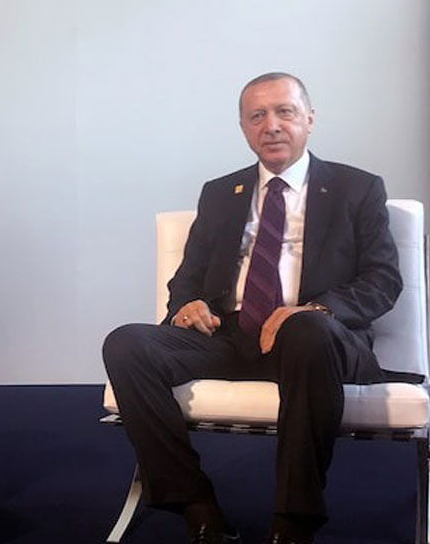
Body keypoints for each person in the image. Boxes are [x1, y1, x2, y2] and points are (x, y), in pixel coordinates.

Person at [103, 72, 402, 544]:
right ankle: (196, 506)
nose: (272, 125)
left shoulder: (356, 188)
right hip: (230, 336)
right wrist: (188, 305)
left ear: (309, 118)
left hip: (317, 343)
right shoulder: (221, 192)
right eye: (257, 116)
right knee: (125, 344)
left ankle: (293, 521)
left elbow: (383, 281)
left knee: (306, 332)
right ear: (243, 127)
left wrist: (314, 310)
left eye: (284, 112)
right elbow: (185, 281)